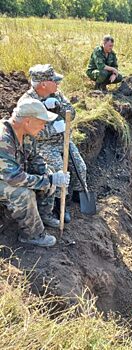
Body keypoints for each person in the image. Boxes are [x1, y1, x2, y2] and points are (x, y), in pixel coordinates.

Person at [18, 64, 87, 223]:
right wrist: (53, 129)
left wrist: (59, 105)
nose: (58, 83)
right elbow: (30, 133)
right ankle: (59, 205)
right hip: (44, 145)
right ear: (43, 84)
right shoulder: (27, 102)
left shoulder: (57, 94)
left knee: (81, 167)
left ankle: (74, 194)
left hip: (64, 140)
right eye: (54, 80)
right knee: (58, 171)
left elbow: (73, 113)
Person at [0, 99, 70, 247]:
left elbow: (34, 159)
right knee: (23, 194)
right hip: (7, 177)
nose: (44, 126)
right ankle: (32, 235)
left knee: (47, 173)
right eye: (42, 122)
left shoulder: (26, 134)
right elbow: (13, 178)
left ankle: (43, 214)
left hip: (11, 174)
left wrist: (50, 175)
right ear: (27, 121)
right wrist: (49, 180)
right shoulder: (3, 139)